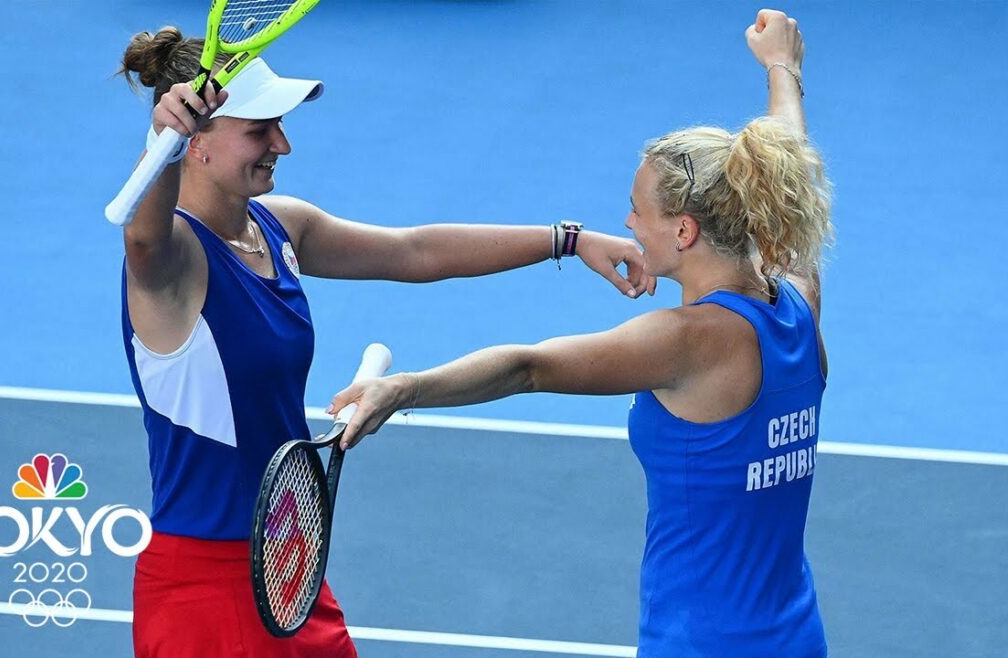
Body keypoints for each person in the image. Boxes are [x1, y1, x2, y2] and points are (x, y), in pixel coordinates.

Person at [115, 24, 655, 658]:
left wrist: (567, 240)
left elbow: (414, 251)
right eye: (260, 130)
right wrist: (159, 145)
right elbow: (142, 238)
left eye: (279, 125)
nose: (282, 143)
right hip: (206, 589)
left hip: (286, 563)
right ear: (196, 144)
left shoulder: (277, 226)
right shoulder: (171, 264)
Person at [329, 10, 832, 657]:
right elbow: (789, 170)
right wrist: (782, 69)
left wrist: (404, 389)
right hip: (797, 636)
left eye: (637, 210)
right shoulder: (798, 300)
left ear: (684, 231)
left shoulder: (688, 342)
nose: (627, 222)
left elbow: (529, 366)